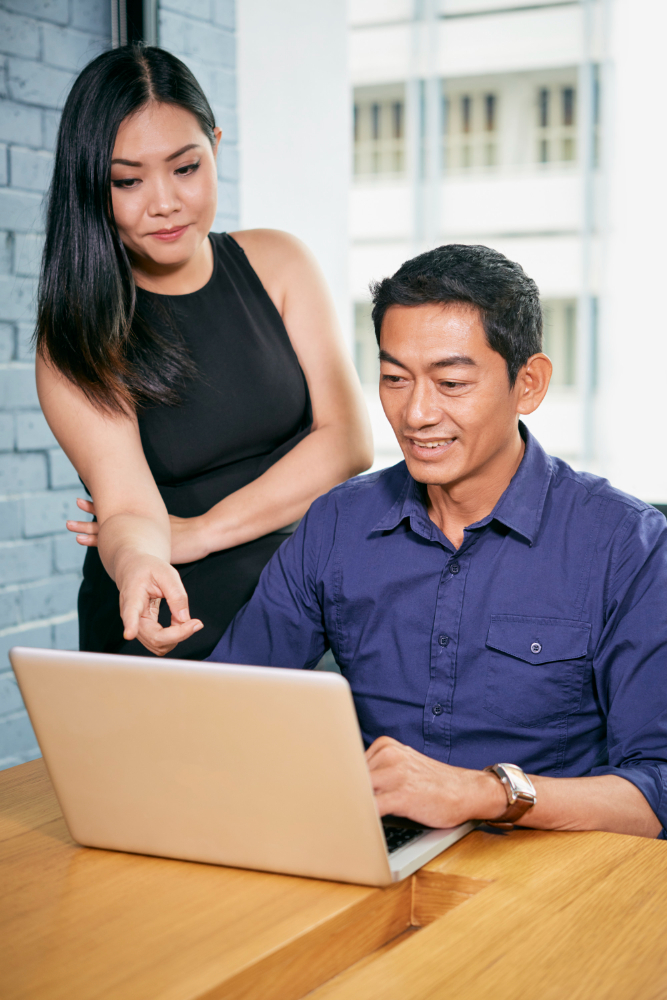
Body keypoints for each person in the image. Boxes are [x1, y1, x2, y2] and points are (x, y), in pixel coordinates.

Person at [208, 244, 667, 838]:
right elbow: (231, 706)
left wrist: (485, 792)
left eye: (451, 382)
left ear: (528, 384)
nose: (416, 413)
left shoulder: (625, 544)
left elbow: (658, 788)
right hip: (376, 851)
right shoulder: (338, 524)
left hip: (545, 873)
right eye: (395, 378)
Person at [36, 45, 372, 660]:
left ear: (215, 146)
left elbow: (348, 441)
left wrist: (199, 532)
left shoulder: (279, 263)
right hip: (175, 617)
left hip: (315, 602)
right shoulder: (78, 334)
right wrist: (140, 559)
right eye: (127, 180)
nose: (163, 201)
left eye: (185, 168)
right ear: (91, 185)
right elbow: (130, 510)